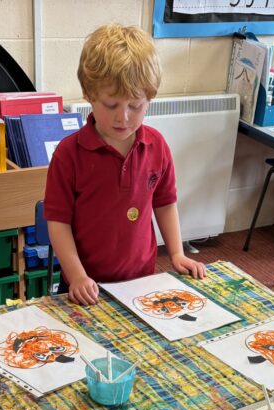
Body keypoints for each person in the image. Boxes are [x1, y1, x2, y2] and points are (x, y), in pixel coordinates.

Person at [43, 23, 206, 306]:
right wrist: (77, 275)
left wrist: (177, 253)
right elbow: (58, 223)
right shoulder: (68, 155)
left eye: (135, 106)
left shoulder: (157, 146)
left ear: (150, 99)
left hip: (142, 280)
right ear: (89, 95)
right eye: (111, 105)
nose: (124, 118)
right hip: (86, 286)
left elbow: (165, 203)